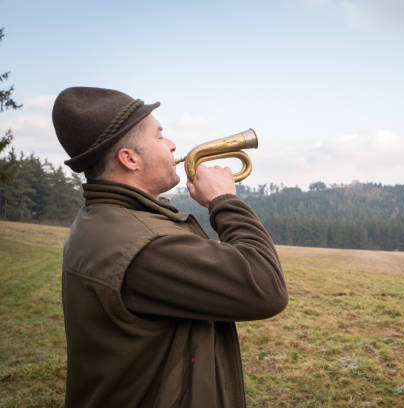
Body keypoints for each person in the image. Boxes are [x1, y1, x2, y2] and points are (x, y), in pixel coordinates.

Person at [52, 87, 288, 407]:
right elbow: (266, 286)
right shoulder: (144, 246)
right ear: (129, 158)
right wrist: (225, 200)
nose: (173, 144)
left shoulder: (105, 219)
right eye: (160, 136)